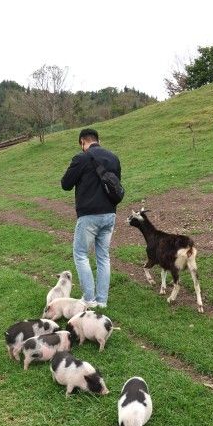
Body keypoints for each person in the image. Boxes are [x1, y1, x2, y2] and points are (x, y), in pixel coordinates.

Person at [61, 128, 121, 309]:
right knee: (103, 256)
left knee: (81, 254)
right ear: (98, 140)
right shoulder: (113, 158)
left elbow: (65, 184)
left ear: (82, 142)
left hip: (89, 215)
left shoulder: (81, 158)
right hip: (110, 214)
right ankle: (101, 301)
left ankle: (89, 299)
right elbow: (116, 185)